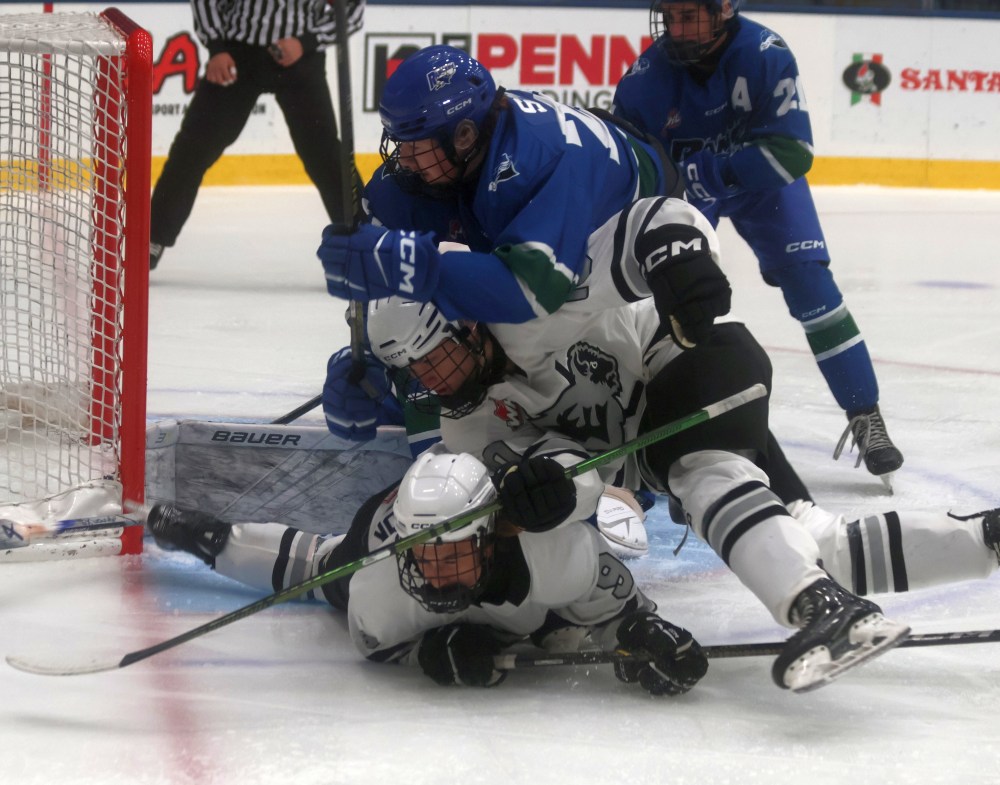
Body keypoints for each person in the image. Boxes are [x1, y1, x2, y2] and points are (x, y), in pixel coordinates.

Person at [315, 45, 910, 692]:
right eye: (398, 142)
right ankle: (903, 561)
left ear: (463, 134)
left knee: (721, 475)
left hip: (657, 341)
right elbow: (409, 325)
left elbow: (578, 265)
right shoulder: (471, 403)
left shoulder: (548, 175)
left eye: (417, 144)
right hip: (600, 400)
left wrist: (676, 250)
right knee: (710, 483)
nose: (403, 159)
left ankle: (816, 577)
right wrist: (371, 363)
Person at [363, 297, 1000, 681]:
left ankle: (820, 607)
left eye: (436, 357)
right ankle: (985, 539)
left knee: (700, 475)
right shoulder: (468, 428)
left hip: (693, 363)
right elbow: (571, 486)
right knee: (814, 546)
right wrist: (554, 498)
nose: (433, 380)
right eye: (416, 369)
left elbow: (631, 230)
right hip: (668, 441)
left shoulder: (529, 302)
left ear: (466, 326)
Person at [145, 444, 709, 695]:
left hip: (518, 557)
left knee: (561, 620)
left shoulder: (561, 554)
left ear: (488, 536)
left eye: (452, 553)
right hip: (374, 532)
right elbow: (380, 646)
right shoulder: (380, 586)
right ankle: (209, 536)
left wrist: (643, 636)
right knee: (321, 569)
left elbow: (624, 614)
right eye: (425, 555)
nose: (435, 574)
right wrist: (432, 652)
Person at [611, 0, 903, 484]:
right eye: (672, 17)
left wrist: (712, 172)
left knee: (812, 288)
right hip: (690, 192)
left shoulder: (764, 53)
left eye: (690, 16)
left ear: (723, 10)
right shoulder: (645, 79)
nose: (677, 29)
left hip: (761, 185)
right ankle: (652, 420)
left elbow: (792, 152)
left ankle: (865, 414)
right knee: (666, 295)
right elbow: (626, 165)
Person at [148, 0, 364, 270]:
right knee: (193, 147)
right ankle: (153, 237)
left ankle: (366, 241)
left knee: (325, 154)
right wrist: (217, 48)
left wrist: (307, 41)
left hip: (301, 58)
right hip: (238, 54)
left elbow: (353, 11)